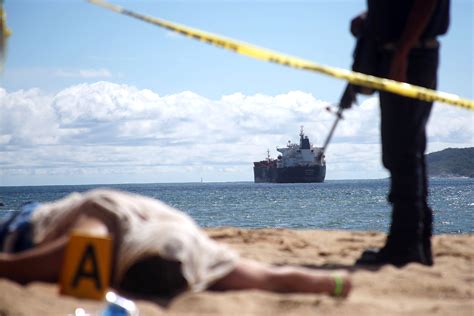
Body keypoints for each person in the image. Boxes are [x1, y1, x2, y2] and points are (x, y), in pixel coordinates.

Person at [0, 189, 351, 298]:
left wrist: (333, 281)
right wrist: (332, 282)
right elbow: (274, 277)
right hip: (27, 222)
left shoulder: (201, 253)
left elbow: (278, 278)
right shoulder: (109, 216)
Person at [350, 0, 450, 266]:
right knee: (405, 150)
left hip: (409, 56)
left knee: (402, 151)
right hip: (399, 52)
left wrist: (403, 51)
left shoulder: (407, 52)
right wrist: (372, 18)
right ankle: (416, 242)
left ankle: (405, 245)